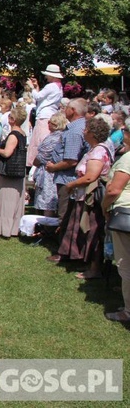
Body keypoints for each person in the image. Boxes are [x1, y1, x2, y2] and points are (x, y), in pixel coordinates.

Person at [50, 118, 113, 276]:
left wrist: (71, 185)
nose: (83, 132)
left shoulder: (98, 151)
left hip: (92, 199)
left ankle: (94, 268)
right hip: (85, 196)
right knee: (86, 229)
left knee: (93, 231)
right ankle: (87, 263)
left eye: (86, 130)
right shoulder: (95, 149)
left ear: (92, 133)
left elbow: (90, 177)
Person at [101, 117, 130, 322]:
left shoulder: (128, 159)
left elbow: (114, 189)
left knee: (125, 264)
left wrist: (104, 207)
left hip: (125, 214)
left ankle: (128, 311)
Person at [0, 106, 29, 238]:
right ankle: (13, 228)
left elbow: (8, 152)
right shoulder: (23, 133)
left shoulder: (14, 135)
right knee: (13, 200)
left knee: (6, 200)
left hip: (9, 173)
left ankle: (4, 229)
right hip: (18, 173)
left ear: (13, 119)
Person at [46, 98, 89, 219]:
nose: (64, 110)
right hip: (68, 178)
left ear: (73, 110)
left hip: (68, 179)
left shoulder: (74, 131)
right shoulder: (78, 126)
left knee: (65, 215)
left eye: (66, 107)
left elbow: (71, 160)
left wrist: (53, 167)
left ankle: (63, 237)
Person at [27, 64, 64, 166]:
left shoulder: (51, 86)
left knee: (40, 140)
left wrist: (31, 88)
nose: (46, 77)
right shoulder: (59, 86)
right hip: (50, 113)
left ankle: (37, 162)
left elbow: (38, 97)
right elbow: (43, 98)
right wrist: (36, 87)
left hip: (44, 115)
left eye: (47, 75)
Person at [33, 113, 68, 216]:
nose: (48, 124)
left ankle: (46, 226)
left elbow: (42, 156)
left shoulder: (55, 138)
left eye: (50, 122)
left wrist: (36, 162)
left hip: (49, 171)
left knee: (47, 201)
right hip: (52, 170)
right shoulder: (61, 135)